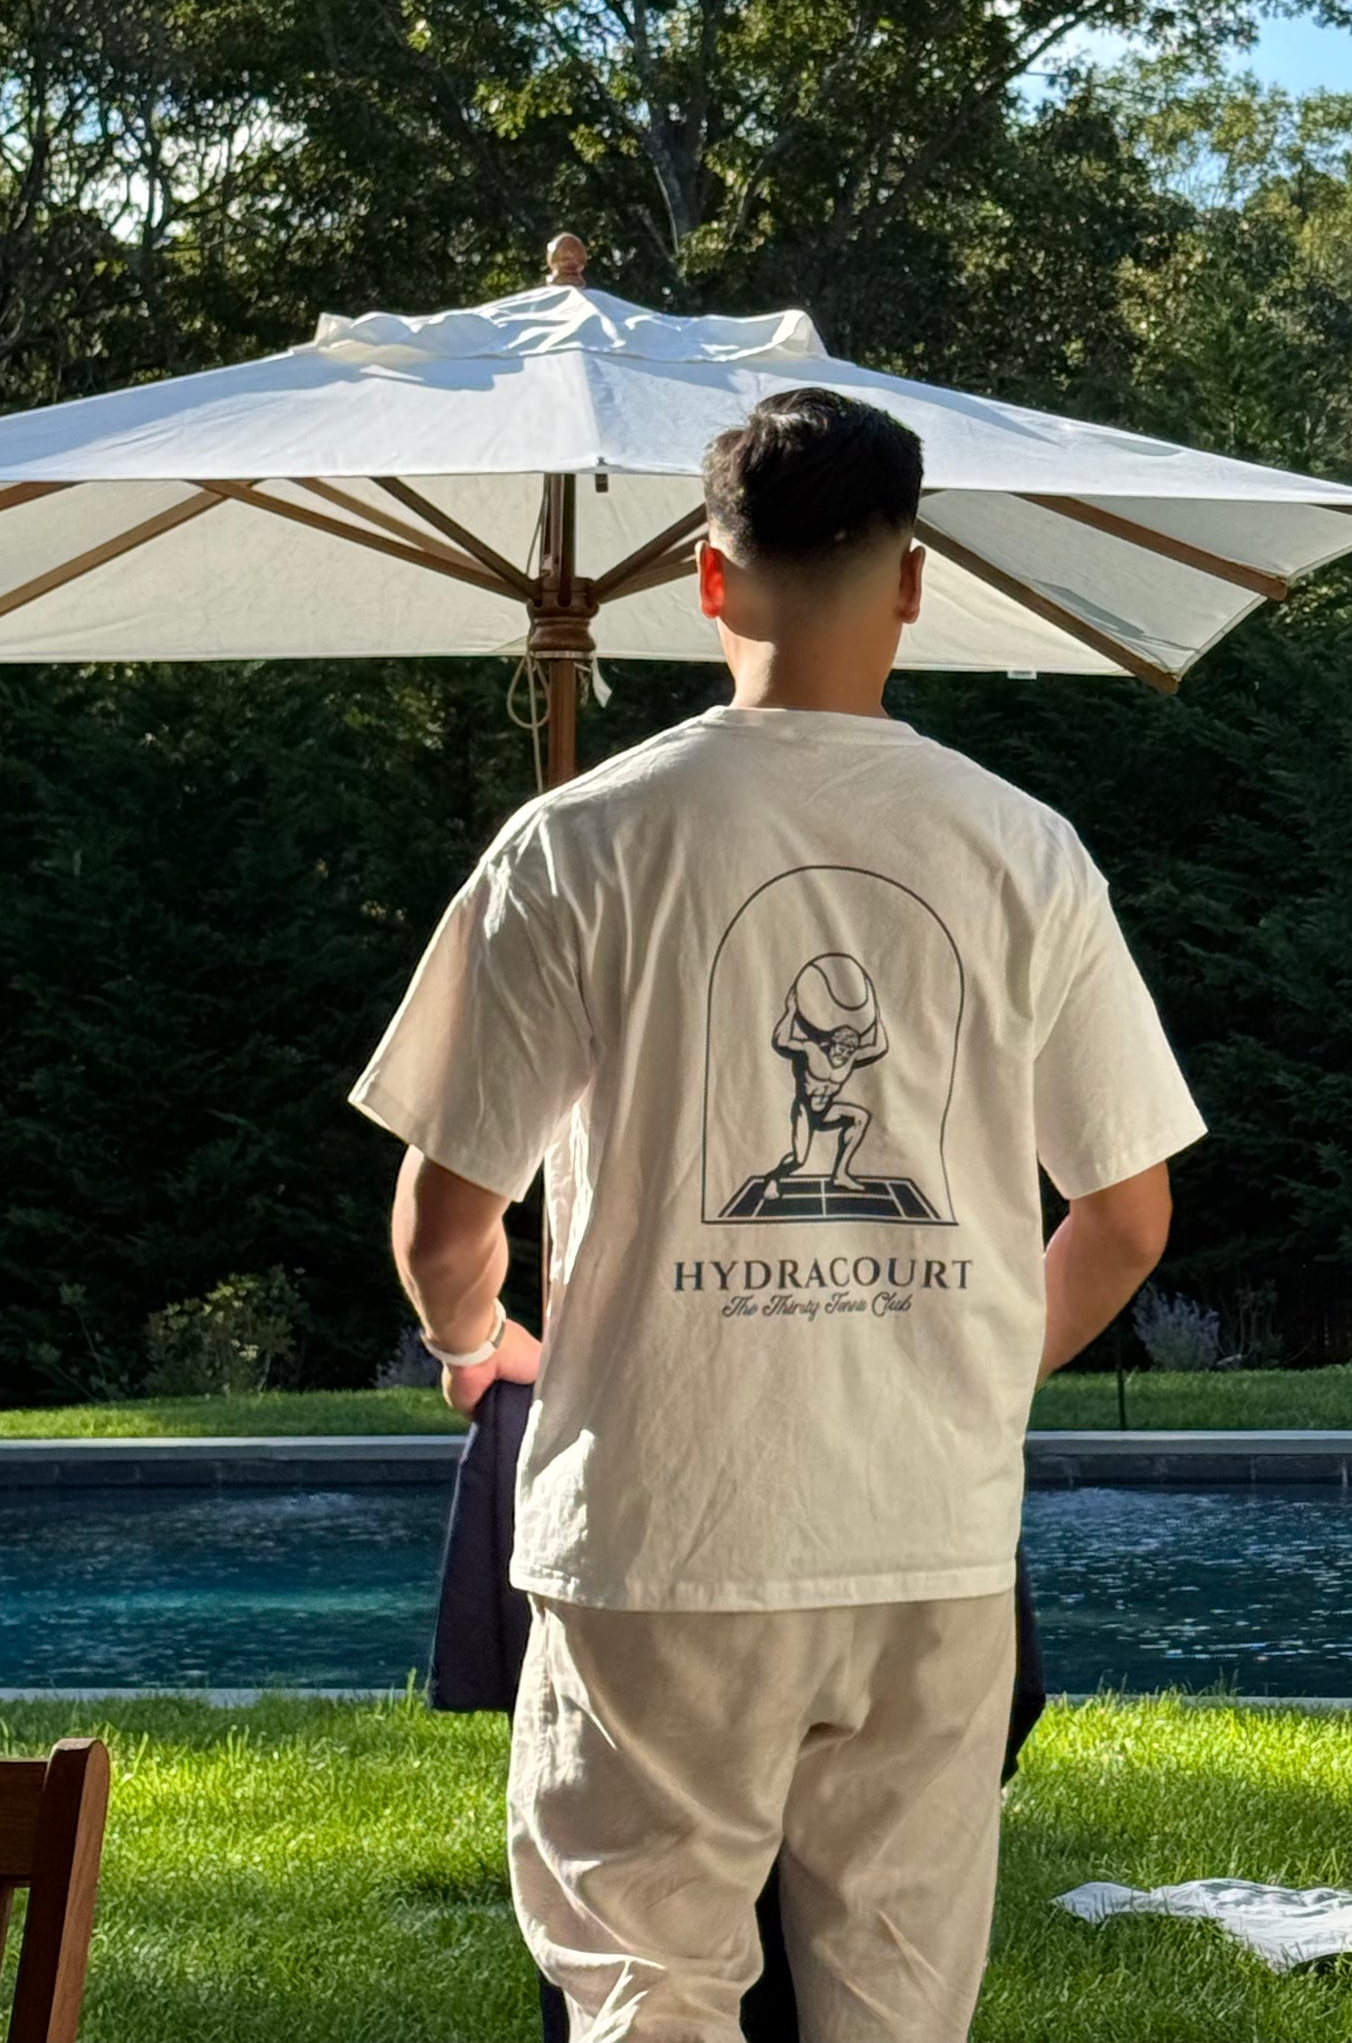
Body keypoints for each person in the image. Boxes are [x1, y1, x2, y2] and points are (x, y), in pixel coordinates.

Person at [356, 386, 1203, 2042]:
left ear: (707, 577)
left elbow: (445, 1216)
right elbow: (1124, 1216)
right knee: (896, 2008)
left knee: (646, 1994)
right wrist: (974, 1374)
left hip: (658, 1532)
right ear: (911, 582)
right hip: (926, 1540)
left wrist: (473, 1344)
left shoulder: (575, 844)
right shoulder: (1025, 851)